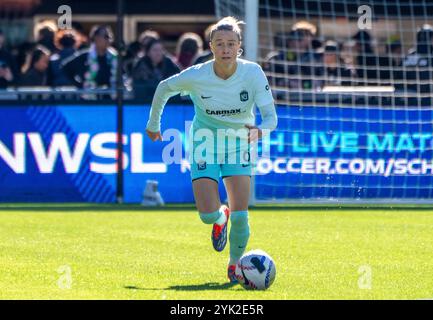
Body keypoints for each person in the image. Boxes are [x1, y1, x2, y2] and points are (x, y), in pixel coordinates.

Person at [145, 17, 277, 283]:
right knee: (207, 215)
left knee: (241, 215)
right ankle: (219, 217)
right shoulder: (197, 75)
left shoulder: (252, 73)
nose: (226, 48)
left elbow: (271, 117)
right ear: (212, 47)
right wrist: (153, 124)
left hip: (239, 144)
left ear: (239, 46)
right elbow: (163, 88)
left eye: (231, 43)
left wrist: (261, 130)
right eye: (220, 44)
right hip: (204, 143)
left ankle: (234, 265)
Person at [61, 25, 118, 90]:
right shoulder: (84, 56)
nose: (109, 40)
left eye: (110, 37)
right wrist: (79, 85)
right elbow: (65, 68)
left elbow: (123, 77)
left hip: (110, 98)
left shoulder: (115, 57)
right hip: (90, 97)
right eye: (106, 37)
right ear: (96, 38)